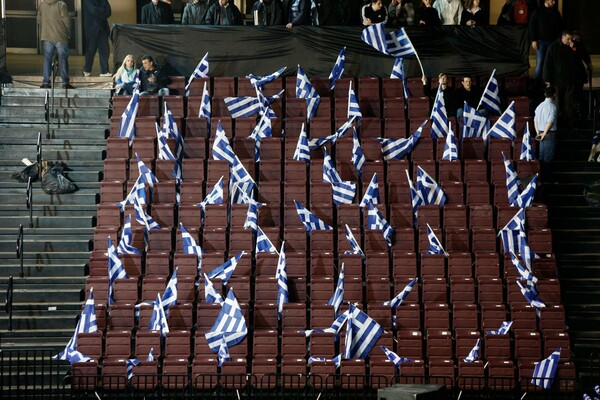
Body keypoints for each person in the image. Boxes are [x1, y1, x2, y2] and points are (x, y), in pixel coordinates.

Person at [543, 30, 578, 128]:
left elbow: (577, 62)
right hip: (557, 81)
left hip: (570, 81)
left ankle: (570, 126)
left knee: (569, 105)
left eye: (571, 39)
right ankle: (557, 125)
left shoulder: (572, 47)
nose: (570, 41)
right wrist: (547, 79)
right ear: (562, 37)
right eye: (568, 39)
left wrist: (573, 49)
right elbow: (547, 63)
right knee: (557, 105)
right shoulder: (553, 47)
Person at [37, 0, 74, 89]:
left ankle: (46, 82)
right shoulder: (61, 5)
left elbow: (39, 20)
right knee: (63, 59)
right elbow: (67, 20)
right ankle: (65, 82)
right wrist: (68, 33)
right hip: (60, 36)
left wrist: (45, 28)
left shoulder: (42, 5)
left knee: (47, 59)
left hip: (47, 36)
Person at [528, 0, 562, 89]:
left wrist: (559, 40)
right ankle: (536, 85)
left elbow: (560, 26)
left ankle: (548, 85)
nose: (554, 2)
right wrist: (533, 40)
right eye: (552, 0)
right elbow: (532, 25)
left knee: (551, 63)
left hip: (552, 42)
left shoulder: (555, 12)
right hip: (540, 42)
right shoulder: (537, 12)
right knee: (540, 64)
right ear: (546, 0)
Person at [83, 0, 112, 77]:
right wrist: (103, 10)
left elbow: (109, 11)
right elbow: (93, 10)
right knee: (90, 50)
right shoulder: (87, 1)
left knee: (105, 50)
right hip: (91, 29)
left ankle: (105, 71)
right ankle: (87, 69)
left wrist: (99, 10)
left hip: (103, 28)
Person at [570, 31, 593, 118]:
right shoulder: (566, 47)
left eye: (577, 39)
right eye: (574, 39)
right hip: (570, 75)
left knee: (579, 94)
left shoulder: (580, 47)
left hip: (578, 74)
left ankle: (581, 111)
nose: (575, 41)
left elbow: (585, 57)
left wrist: (589, 65)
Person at [534, 86, 557, 164]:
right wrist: (544, 133)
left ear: (545, 94)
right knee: (548, 158)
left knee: (541, 156)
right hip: (548, 133)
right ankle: (547, 175)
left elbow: (535, 120)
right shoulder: (552, 107)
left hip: (540, 132)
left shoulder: (539, 106)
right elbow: (550, 122)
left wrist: (538, 133)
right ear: (555, 95)